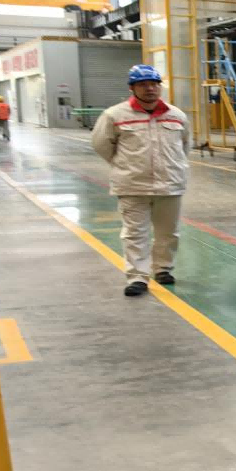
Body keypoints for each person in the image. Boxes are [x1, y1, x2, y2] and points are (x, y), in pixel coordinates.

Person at [91, 65, 190, 297]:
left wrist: (172, 166)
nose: (150, 89)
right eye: (143, 85)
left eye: (154, 84)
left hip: (170, 184)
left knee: (169, 232)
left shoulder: (177, 115)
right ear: (132, 88)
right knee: (135, 234)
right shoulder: (115, 115)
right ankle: (137, 277)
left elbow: (185, 146)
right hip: (132, 185)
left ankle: (163, 269)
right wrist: (126, 166)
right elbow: (101, 145)